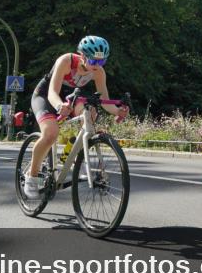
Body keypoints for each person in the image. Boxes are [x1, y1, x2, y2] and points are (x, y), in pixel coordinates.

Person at [23, 35, 129, 199]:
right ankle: (32, 176)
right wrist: (59, 106)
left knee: (91, 113)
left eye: (101, 62)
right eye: (93, 61)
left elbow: (105, 100)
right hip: (45, 96)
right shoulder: (66, 61)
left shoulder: (98, 72)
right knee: (51, 133)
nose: (97, 66)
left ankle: (72, 156)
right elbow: (52, 92)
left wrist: (118, 111)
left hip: (71, 98)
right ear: (83, 56)